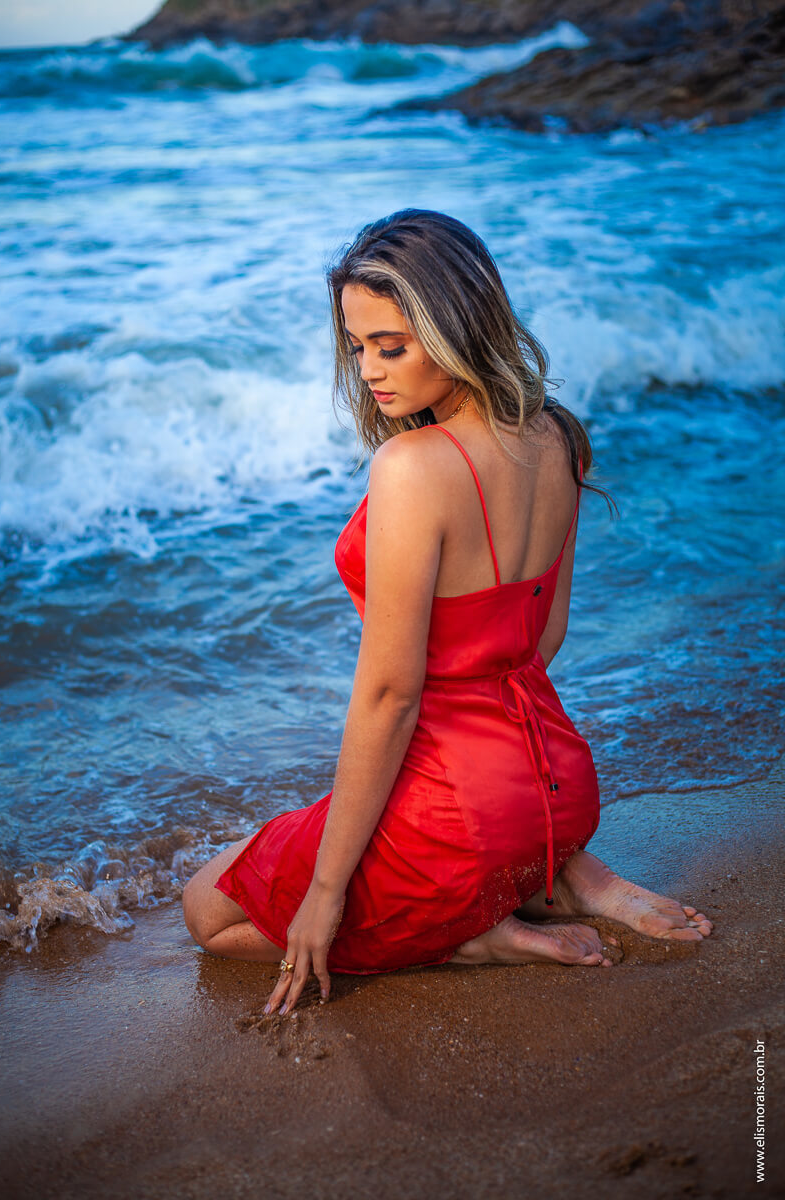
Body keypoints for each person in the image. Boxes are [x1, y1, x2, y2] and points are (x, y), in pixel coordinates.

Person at [182, 209, 712, 1017]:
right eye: (357, 347)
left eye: (390, 346)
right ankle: (564, 874)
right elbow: (543, 639)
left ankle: (472, 935)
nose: (368, 372)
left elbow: (391, 698)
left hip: (456, 819)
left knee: (208, 908)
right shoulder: (560, 438)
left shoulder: (411, 467)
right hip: (558, 791)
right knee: (303, 847)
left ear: (458, 324)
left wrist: (327, 893)